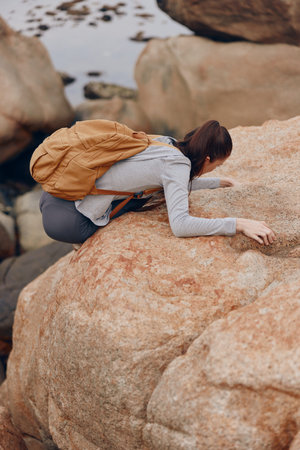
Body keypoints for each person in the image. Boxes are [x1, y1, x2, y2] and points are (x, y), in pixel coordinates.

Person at [39, 120, 276, 247]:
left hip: (53, 195)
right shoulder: (177, 166)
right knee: (145, 199)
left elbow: (169, 179)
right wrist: (239, 224)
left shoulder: (167, 142)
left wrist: (217, 182)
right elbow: (181, 226)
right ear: (207, 159)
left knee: (150, 194)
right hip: (69, 222)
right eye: (217, 166)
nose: (216, 169)